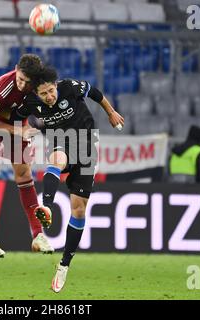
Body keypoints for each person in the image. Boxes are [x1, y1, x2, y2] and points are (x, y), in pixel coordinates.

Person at [14, 66, 124, 293]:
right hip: (61, 141)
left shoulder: (69, 87)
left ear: (56, 86)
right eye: (43, 94)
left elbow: (95, 93)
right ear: (37, 93)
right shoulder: (31, 103)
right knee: (56, 159)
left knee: (79, 210)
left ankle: (64, 264)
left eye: (51, 91)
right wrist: (24, 128)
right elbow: (15, 115)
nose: (49, 97)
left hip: (87, 148)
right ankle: (46, 206)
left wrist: (110, 112)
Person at [0, 54, 54, 259]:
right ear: (16, 69)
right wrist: (17, 130)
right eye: (19, 79)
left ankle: (38, 236)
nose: (21, 84)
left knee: (24, 174)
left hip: (17, 125)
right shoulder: (2, 89)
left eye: (26, 82)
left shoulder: (38, 87)